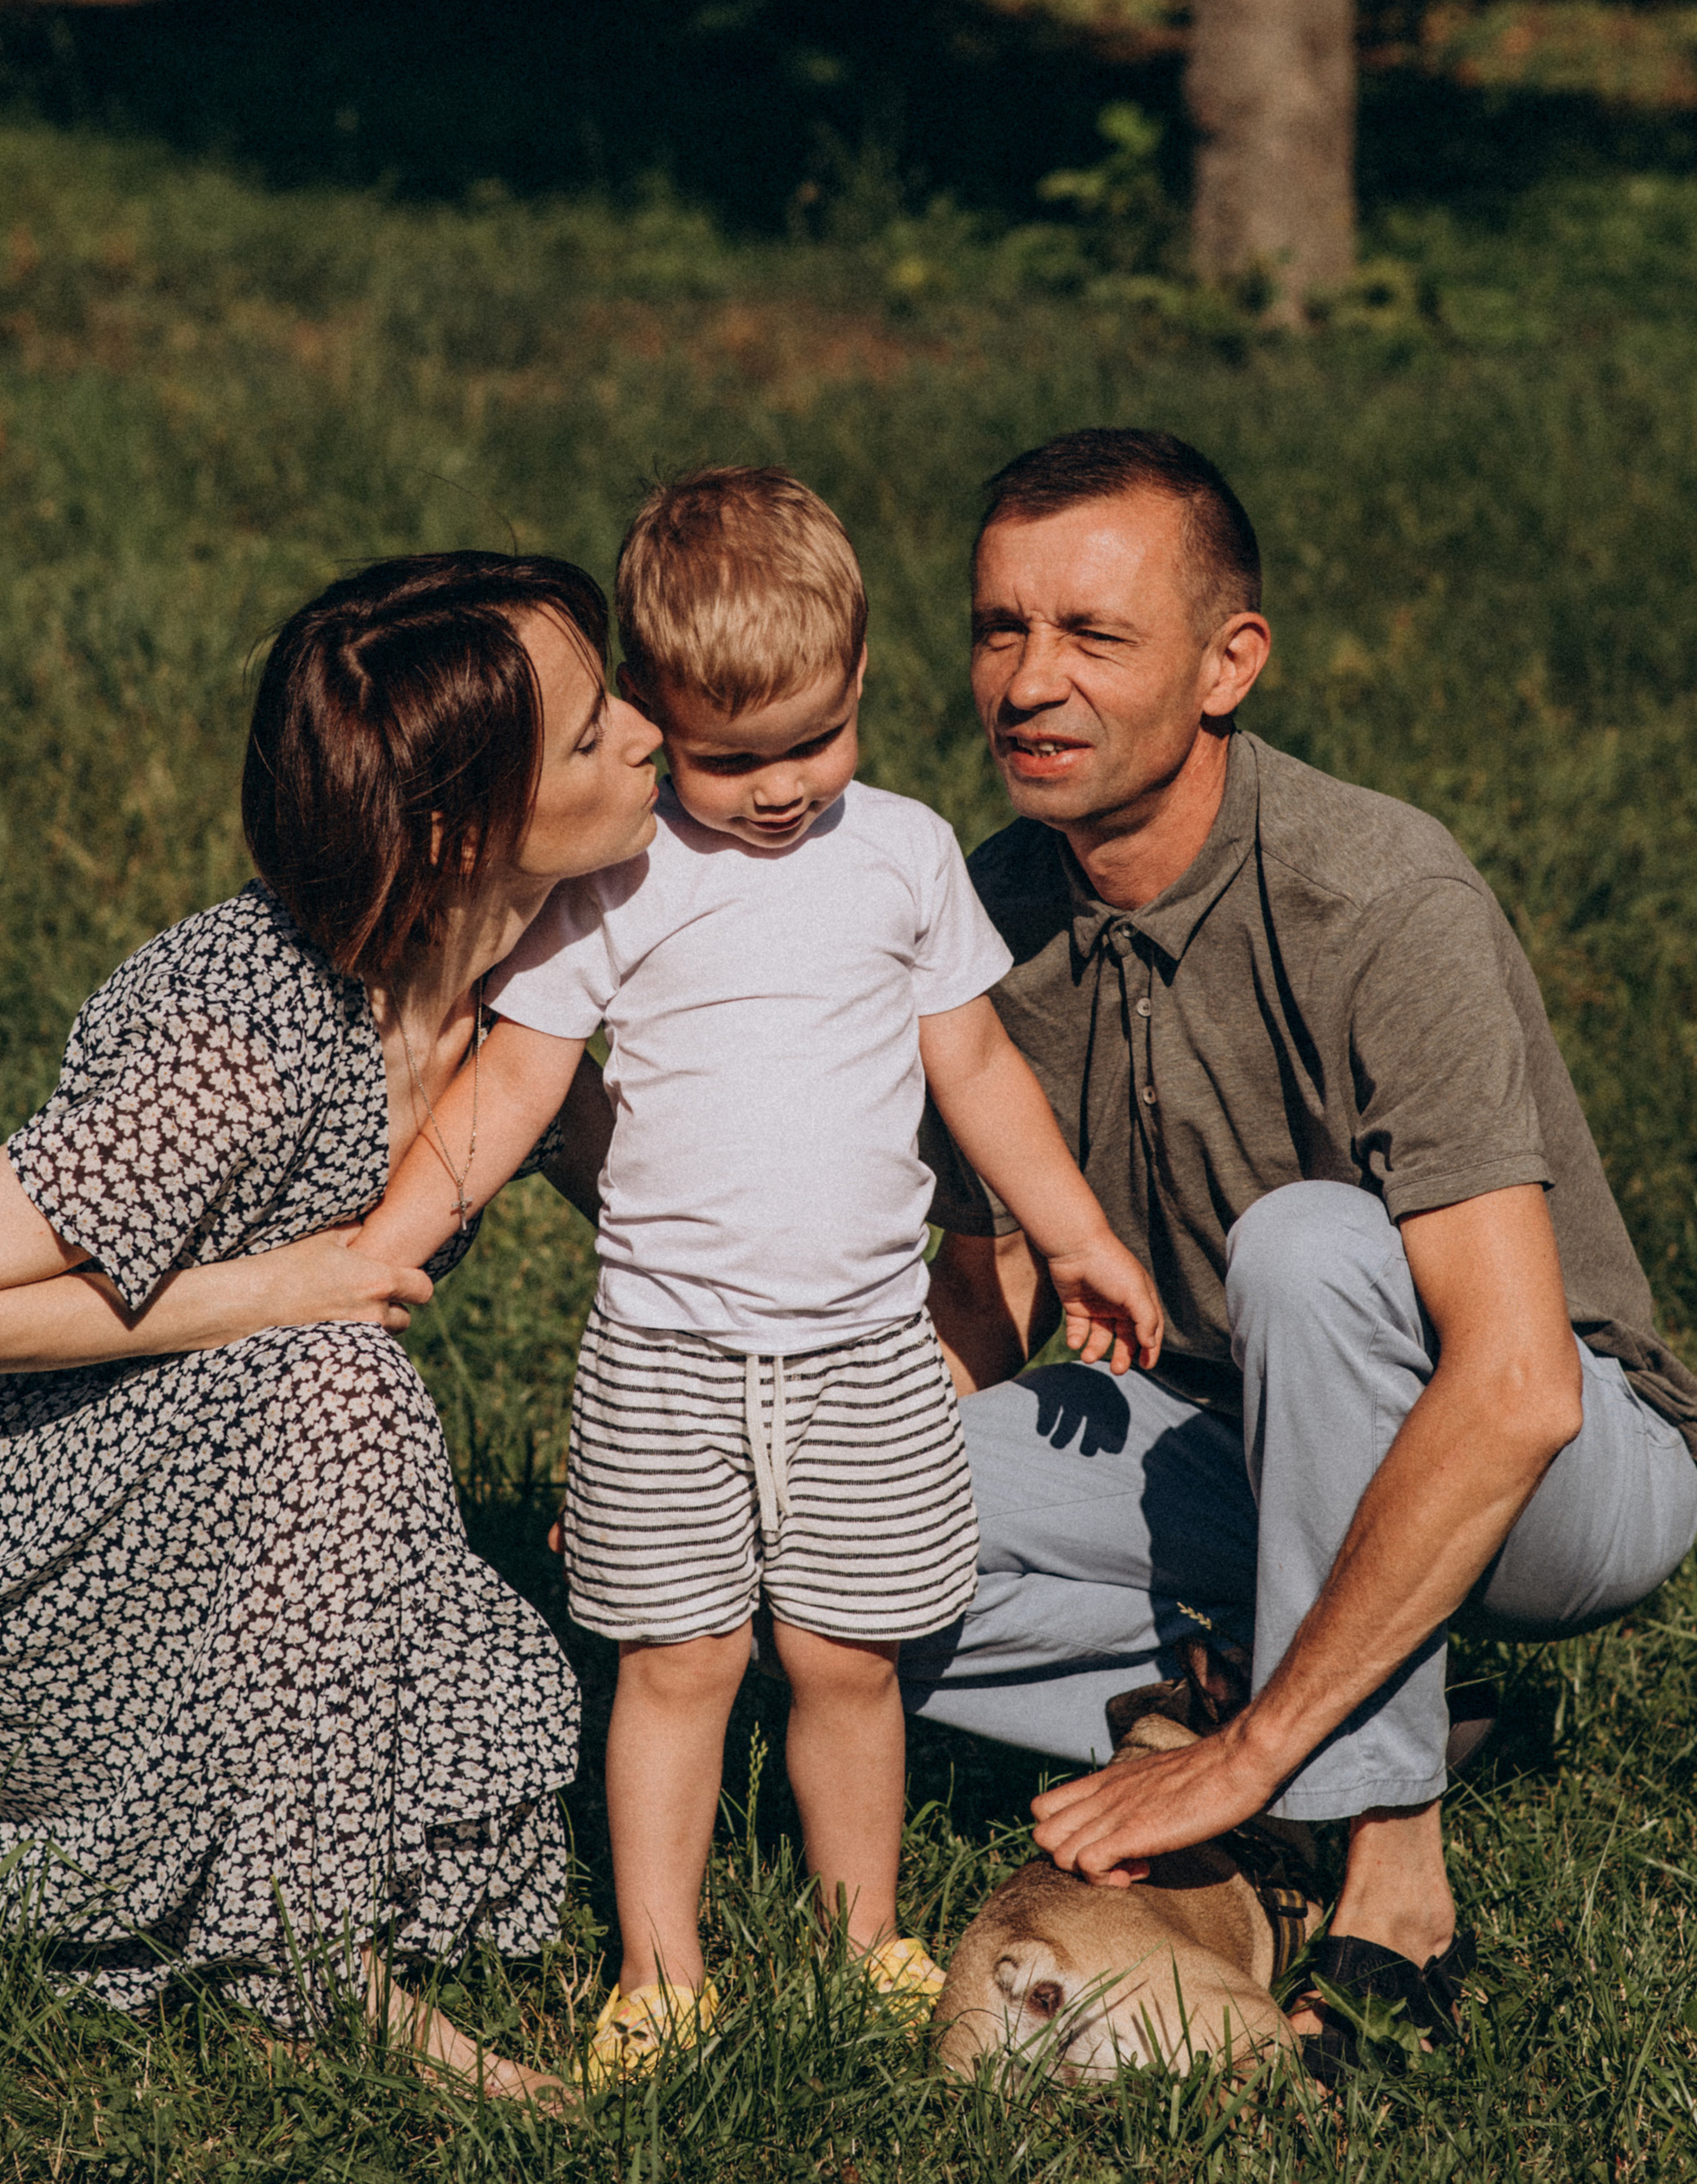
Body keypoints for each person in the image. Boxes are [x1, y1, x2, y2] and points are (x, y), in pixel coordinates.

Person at [0, 551, 666, 2108]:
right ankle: (304, 1970)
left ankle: (280, 1890)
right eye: (592, 736)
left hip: (203, 1498)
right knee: (342, 1380)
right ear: (456, 833)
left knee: (504, 1712)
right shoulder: (243, 1042)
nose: (649, 733)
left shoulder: (523, 984)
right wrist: (285, 1285)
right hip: (14, 1556)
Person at [902, 427, 1697, 2077]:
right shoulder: (979, 915)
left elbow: (1517, 1383)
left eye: (1093, 636)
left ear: (1228, 663)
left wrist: (1252, 1754)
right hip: (1226, 1444)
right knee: (845, 1533)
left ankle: (1385, 1858)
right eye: (1001, 628)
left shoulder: (1376, 893)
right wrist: (751, 1474)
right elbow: (978, 1296)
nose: (1029, 684)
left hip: (1560, 1466)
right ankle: (1273, 1689)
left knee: (1311, 1251)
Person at [358, 468, 1163, 2081]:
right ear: (651, 719)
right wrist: (390, 1239)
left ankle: (860, 1939)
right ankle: (660, 1971)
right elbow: (514, 1088)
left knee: (851, 1662)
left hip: (870, 1351)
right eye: (732, 760)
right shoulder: (621, 880)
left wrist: (1072, 1231)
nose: (782, 788)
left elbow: (979, 1070)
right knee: (677, 1665)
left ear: (862, 685)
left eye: (816, 740)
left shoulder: (908, 858)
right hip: (664, 1356)